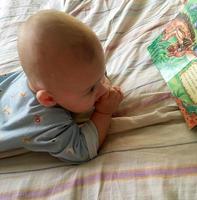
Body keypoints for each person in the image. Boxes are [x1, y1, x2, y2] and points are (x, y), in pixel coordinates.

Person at [0, 10, 123, 164]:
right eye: (91, 89)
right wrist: (104, 113)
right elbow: (81, 150)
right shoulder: (47, 122)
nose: (104, 89)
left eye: (101, 76)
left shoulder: (49, 75)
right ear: (49, 99)